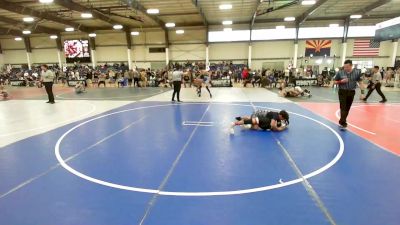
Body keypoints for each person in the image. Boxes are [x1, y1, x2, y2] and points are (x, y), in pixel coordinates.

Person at [333, 60, 364, 130]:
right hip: (342, 92)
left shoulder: (357, 72)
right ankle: (343, 123)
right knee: (343, 107)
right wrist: (341, 81)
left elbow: (361, 83)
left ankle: (342, 121)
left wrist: (362, 93)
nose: (345, 68)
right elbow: (334, 82)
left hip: (351, 92)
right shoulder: (340, 72)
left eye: (347, 67)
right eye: (344, 67)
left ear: (351, 66)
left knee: (347, 108)